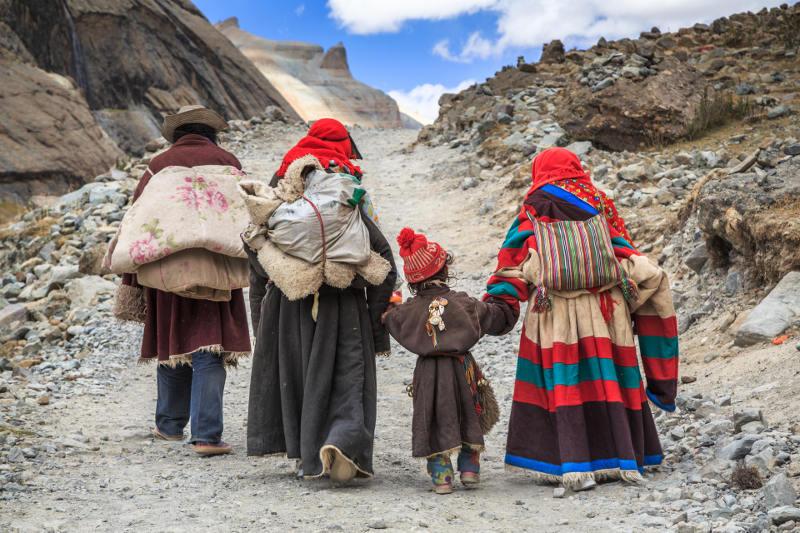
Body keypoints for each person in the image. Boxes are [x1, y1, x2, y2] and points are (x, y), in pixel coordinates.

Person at [485, 147, 679, 490]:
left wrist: (497, 305)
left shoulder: (536, 205)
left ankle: (573, 463)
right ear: (577, 168)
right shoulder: (599, 201)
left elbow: (513, 257)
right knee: (610, 378)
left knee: (565, 380)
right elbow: (623, 249)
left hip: (555, 309)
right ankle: (622, 458)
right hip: (607, 308)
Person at [244, 118, 397, 483]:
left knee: (296, 376)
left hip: (288, 301)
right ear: (345, 147)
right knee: (348, 376)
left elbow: (254, 248)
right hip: (343, 303)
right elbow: (381, 254)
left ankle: (307, 458)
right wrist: (377, 325)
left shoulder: (281, 184)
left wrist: (259, 319)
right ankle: (341, 443)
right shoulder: (348, 187)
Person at [119, 105, 251, 456]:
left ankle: (170, 425)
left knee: (172, 337)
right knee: (209, 344)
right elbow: (248, 210)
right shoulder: (228, 162)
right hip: (218, 266)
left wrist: (131, 277)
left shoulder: (159, 165)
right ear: (210, 132)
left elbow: (137, 217)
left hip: (167, 267)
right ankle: (207, 436)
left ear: (177, 134)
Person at [383, 228, 514, 494]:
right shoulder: (465, 304)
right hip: (462, 368)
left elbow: (389, 317)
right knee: (469, 413)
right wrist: (506, 295)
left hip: (428, 374)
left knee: (433, 418)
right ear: (444, 270)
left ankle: (442, 478)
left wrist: (387, 304)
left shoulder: (407, 312)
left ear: (413, 282)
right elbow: (497, 318)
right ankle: (469, 469)